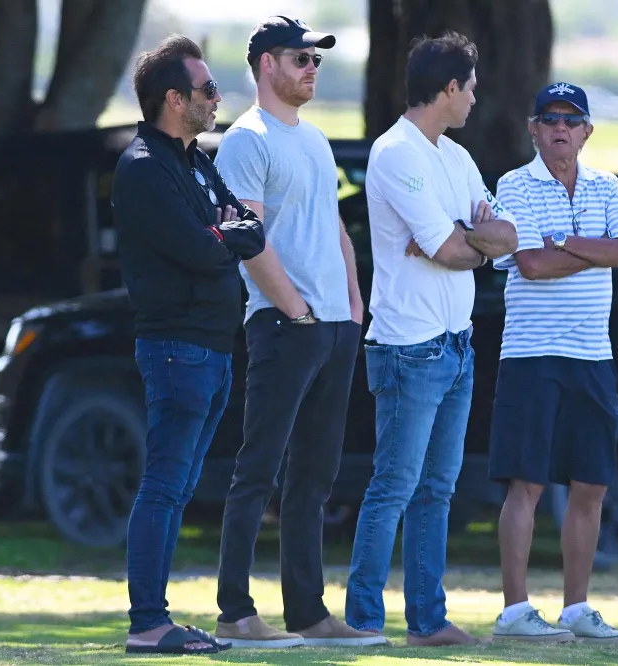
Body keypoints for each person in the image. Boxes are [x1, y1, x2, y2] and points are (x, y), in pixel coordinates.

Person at [210, 16, 386, 649]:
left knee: (314, 478)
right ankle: (235, 611)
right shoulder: (245, 140)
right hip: (285, 327)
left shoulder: (312, 139)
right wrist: (298, 312)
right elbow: (248, 241)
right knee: (257, 471)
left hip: (334, 327)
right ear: (265, 65)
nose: (312, 68)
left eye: (317, 59)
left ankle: (308, 614)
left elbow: (335, 228)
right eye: (300, 58)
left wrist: (352, 306)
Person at [343, 31, 518, 647]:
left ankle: (426, 620)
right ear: (448, 88)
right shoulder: (397, 153)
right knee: (393, 485)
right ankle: (363, 621)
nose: (475, 99)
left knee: (437, 490)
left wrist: (460, 239)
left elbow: (506, 236)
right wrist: (464, 240)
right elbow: (453, 244)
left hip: (457, 344)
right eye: (470, 88)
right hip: (408, 347)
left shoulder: (457, 156)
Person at [111, 35, 265, 656]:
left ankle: (156, 618)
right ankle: (148, 622)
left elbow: (248, 229)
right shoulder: (145, 167)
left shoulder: (196, 161)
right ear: (174, 99)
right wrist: (223, 234)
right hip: (177, 351)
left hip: (212, 350)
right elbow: (204, 249)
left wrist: (224, 231)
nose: (215, 98)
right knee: (165, 486)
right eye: (206, 90)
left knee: (177, 488)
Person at [487, 81, 618, 644]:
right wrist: (592, 247)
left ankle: (577, 608)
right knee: (526, 483)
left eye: (571, 120)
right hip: (531, 354)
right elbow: (529, 264)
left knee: (590, 484)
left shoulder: (606, 185)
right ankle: (515, 611)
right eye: (549, 119)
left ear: (586, 131)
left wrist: (567, 242)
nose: (560, 128)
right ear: (533, 128)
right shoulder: (514, 184)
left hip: (591, 356)